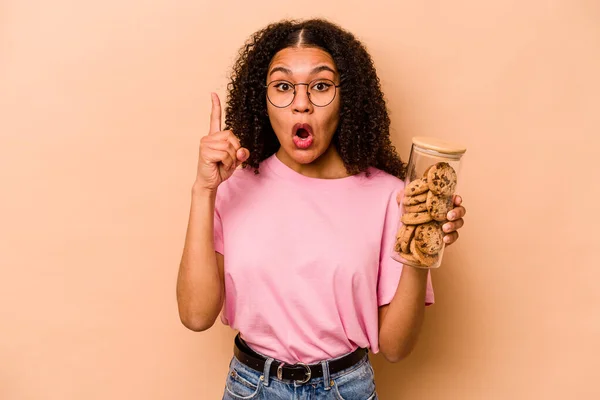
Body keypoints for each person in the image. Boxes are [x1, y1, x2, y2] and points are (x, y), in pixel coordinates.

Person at [176, 18, 466, 400]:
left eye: (321, 86)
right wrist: (203, 190)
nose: (301, 103)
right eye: (282, 86)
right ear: (261, 100)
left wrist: (421, 248)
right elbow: (196, 317)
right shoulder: (231, 186)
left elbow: (396, 348)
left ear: (348, 97)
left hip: (347, 389)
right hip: (251, 388)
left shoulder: (391, 197)